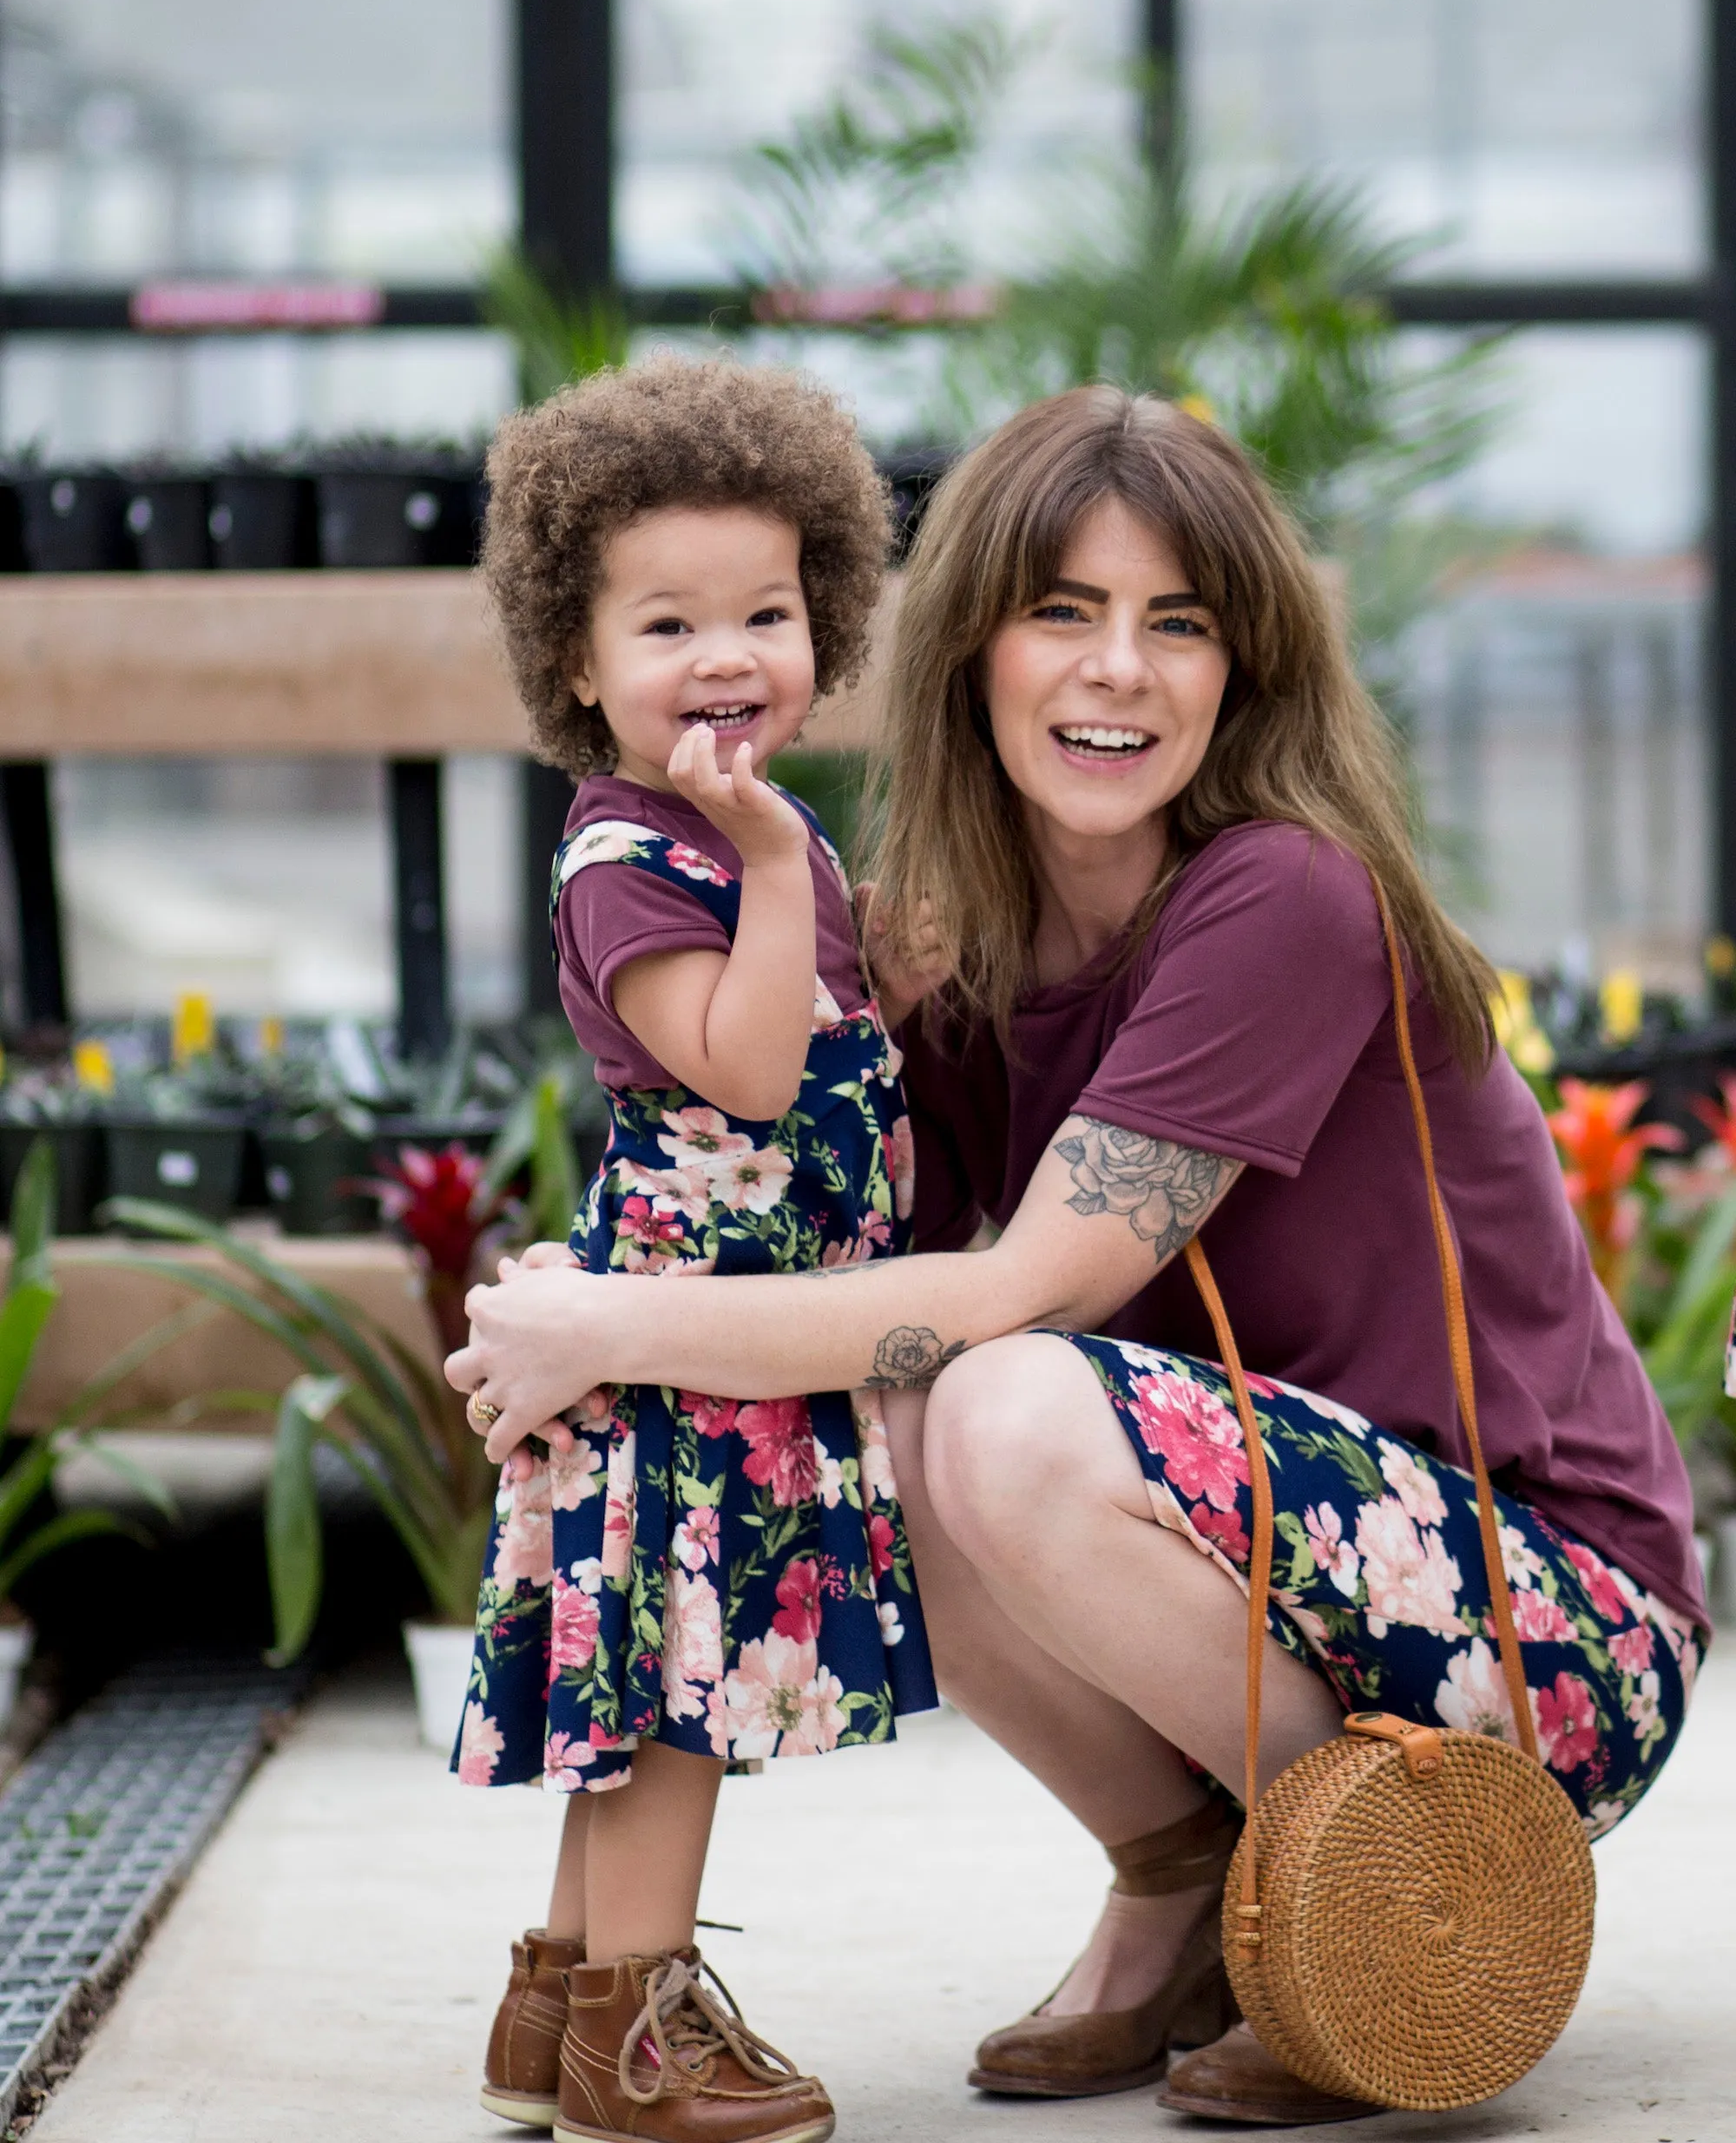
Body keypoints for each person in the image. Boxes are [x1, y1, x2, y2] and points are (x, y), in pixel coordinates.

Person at [453, 386, 1707, 2131]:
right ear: (971, 645)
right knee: (874, 1418)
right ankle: (1186, 1872)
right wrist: (581, 1302)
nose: (1118, 667)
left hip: (1544, 1619)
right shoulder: (961, 949)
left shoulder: (1282, 894)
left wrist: (611, 1326)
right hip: (1290, 1562)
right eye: (1065, 610)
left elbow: (1010, 1293)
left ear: (1238, 673)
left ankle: (1353, 1895)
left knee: (991, 1402)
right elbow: (827, 1263)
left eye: (1176, 624)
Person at [460, 357, 935, 2143]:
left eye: (765, 609)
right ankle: (637, 2039)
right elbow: (738, 1059)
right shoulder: (630, 857)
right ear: (577, 662)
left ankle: (557, 2001)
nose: (726, 652)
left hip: (729, 1331)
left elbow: (847, 998)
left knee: (644, 1677)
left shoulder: (753, 828)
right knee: (674, 1697)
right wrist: (781, 869)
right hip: (682, 1346)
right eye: (668, 623)